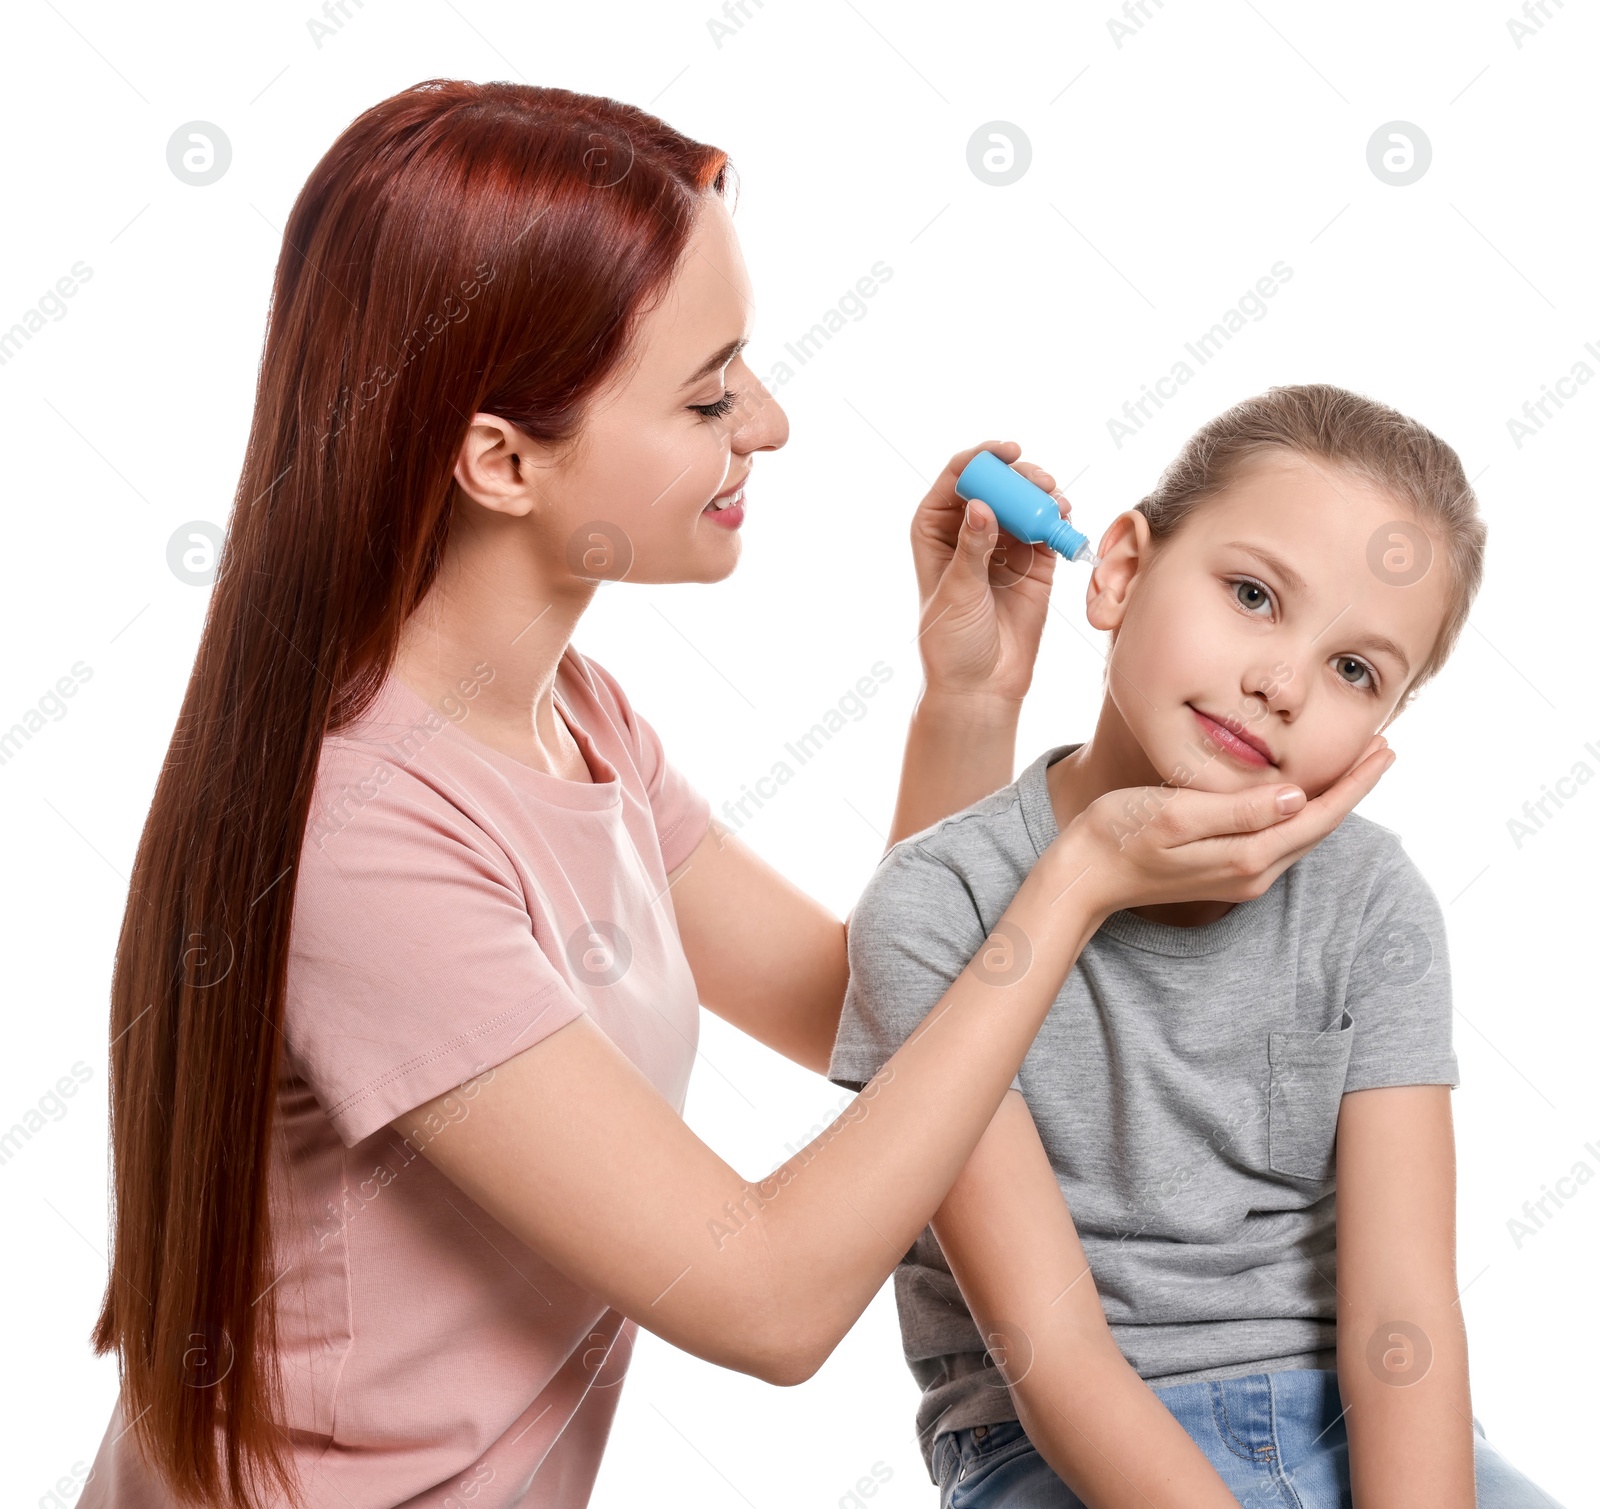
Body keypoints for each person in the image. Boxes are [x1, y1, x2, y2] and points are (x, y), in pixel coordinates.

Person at [79, 85, 1390, 1509]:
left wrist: (968, 697)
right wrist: (1077, 878)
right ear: (500, 459)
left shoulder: (571, 721)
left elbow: (878, 1008)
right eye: (708, 393)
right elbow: (769, 1299)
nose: (766, 421)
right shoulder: (367, 842)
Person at [828, 384, 1561, 1508]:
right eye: (1254, 595)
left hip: (1346, 1416)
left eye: (1354, 672)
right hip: (1054, 1450)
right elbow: (1052, 1356)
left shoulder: (1371, 904)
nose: (1280, 684)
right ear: (1117, 571)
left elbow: (1398, 1319)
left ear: (1381, 732)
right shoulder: (935, 909)